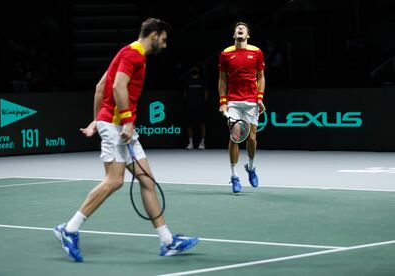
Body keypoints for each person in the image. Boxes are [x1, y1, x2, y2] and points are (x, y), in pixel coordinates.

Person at [53, 18, 199, 262]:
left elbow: (101, 86)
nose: (164, 46)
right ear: (153, 35)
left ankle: (167, 241)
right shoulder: (134, 56)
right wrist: (124, 122)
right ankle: (69, 229)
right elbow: (118, 86)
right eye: (163, 40)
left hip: (116, 125)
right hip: (118, 126)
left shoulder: (125, 52)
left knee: (146, 180)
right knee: (114, 181)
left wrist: (96, 121)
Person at [218, 22, 266, 193]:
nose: (240, 29)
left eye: (244, 28)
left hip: (252, 101)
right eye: (237, 28)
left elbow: (261, 77)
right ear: (234, 34)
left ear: (248, 34)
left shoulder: (256, 52)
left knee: (251, 138)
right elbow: (222, 79)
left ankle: (251, 168)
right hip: (234, 102)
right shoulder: (225, 54)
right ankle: (234, 176)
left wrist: (260, 98)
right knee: (235, 137)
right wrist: (223, 102)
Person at [183, 65, 208, 150]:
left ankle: (202, 143)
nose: (195, 69)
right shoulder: (188, 81)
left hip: (200, 106)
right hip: (190, 106)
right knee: (189, 124)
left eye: (196, 68)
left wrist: (202, 103)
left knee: (202, 124)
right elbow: (185, 93)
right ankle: (190, 143)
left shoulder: (202, 80)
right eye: (193, 68)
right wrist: (189, 102)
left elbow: (206, 93)